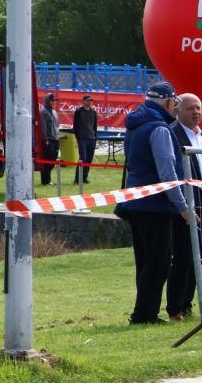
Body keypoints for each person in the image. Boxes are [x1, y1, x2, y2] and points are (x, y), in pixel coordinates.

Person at [115, 81, 188, 325]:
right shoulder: (159, 129)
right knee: (159, 262)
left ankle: (144, 311)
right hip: (155, 205)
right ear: (168, 102)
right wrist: (182, 207)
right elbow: (167, 173)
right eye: (174, 102)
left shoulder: (136, 124)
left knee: (145, 261)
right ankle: (144, 314)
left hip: (135, 202)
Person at [166, 93, 202, 321]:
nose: (196, 112)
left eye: (198, 108)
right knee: (184, 257)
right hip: (186, 205)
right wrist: (185, 206)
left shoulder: (200, 136)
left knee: (197, 258)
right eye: (191, 108)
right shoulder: (173, 135)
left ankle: (187, 305)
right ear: (177, 111)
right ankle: (175, 308)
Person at [73, 94, 98, 184]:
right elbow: (75, 126)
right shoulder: (79, 112)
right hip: (82, 139)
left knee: (89, 159)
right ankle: (77, 178)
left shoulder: (93, 112)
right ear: (83, 101)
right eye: (87, 100)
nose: (89, 102)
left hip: (91, 139)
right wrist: (78, 138)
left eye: (90, 101)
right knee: (82, 158)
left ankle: (84, 178)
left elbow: (95, 127)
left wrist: (95, 138)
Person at [40, 93, 60, 185]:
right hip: (48, 140)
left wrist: (58, 136)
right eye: (51, 101)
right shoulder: (43, 112)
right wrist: (45, 140)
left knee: (53, 161)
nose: (53, 102)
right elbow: (43, 127)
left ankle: (48, 179)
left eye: (54, 101)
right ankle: (46, 181)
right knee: (48, 160)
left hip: (55, 139)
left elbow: (57, 125)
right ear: (47, 101)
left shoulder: (54, 112)